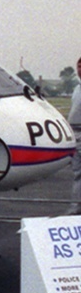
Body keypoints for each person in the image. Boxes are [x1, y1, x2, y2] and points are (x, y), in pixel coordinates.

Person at [67, 56, 81, 216]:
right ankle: (76, 209)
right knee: (78, 174)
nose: (80, 69)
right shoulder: (77, 88)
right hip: (75, 134)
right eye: (78, 66)